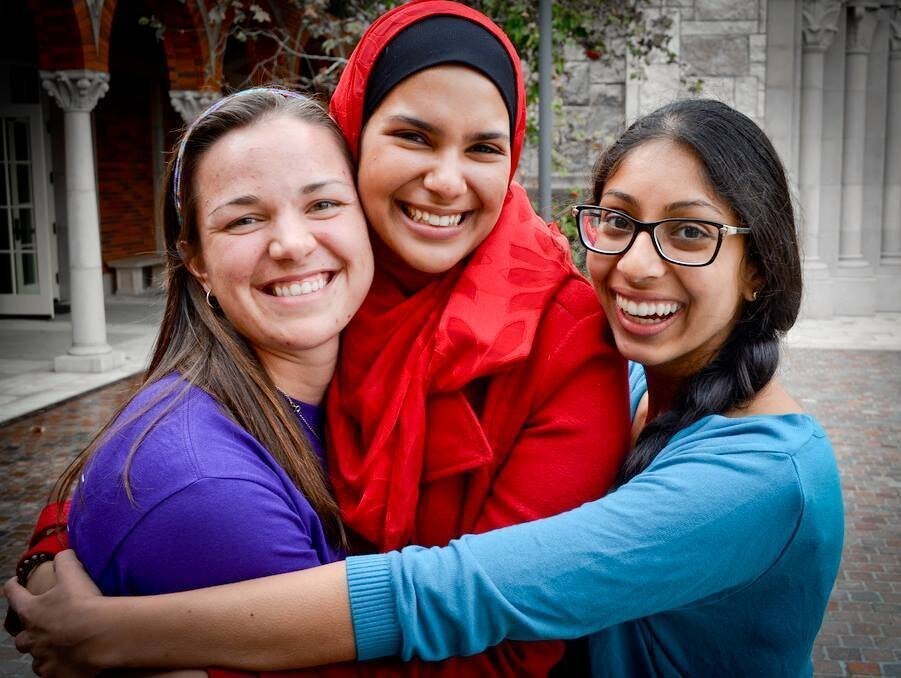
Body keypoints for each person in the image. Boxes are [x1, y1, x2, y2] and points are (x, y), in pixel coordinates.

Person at [6, 99, 845, 678]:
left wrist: (116, 636)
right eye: (617, 220)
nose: (634, 263)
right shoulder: (629, 377)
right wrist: (55, 543)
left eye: (690, 233)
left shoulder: (759, 478)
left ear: (757, 268)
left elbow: (458, 591)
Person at [10, 2, 630, 674]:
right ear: (355, 144)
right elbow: (168, 475)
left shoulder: (563, 338)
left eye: (483, 147)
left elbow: (510, 627)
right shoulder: (341, 288)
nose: (446, 181)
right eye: (413, 137)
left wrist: (130, 631)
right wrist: (53, 549)